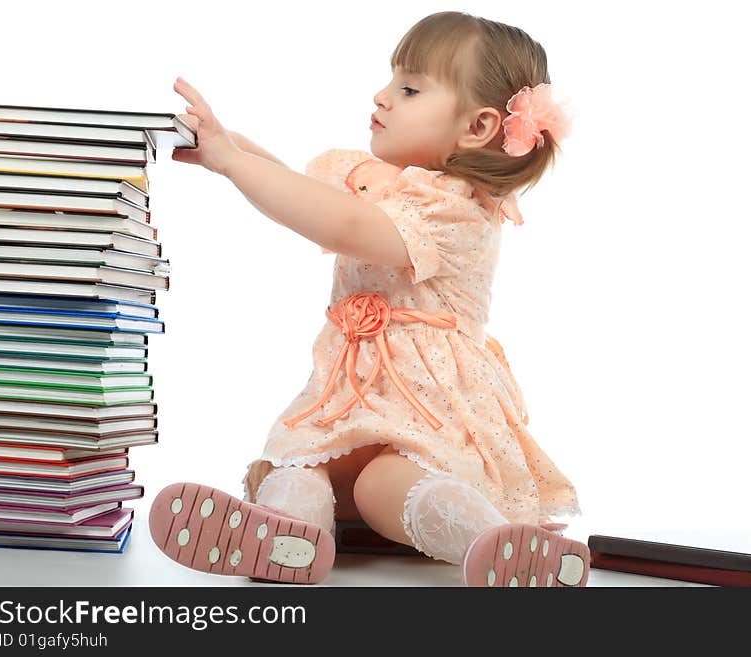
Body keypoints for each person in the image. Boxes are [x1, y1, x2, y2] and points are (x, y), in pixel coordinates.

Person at [148, 10, 589, 588]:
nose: (382, 95)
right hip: (351, 398)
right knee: (302, 468)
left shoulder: (457, 207)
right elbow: (304, 194)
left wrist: (233, 165)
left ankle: (493, 544)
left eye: (408, 88)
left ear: (478, 126)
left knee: (384, 487)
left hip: (431, 408)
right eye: (391, 80)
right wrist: (227, 149)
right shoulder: (372, 177)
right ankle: (283, 536)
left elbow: (344, 228)